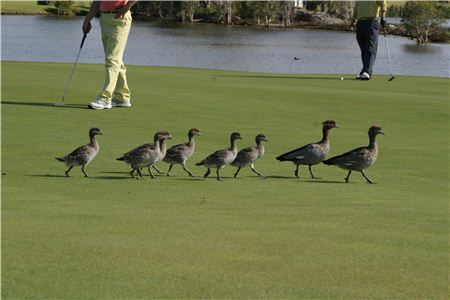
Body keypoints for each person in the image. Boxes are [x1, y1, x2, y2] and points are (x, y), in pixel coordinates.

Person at [83, 0, 137, 110]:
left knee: (112, 59)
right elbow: (97, 2)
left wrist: (128, 6)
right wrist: (87, 19)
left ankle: (105, 98)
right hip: (104, 19)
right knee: (116, 59)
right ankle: (123, 97)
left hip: (120, 18)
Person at [351, 1, 387, 80]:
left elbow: (383, 6)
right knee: (363, 48)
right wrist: (353, 21)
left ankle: (367, 72)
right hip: (360, 23)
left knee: (370, 48)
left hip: (372, 22)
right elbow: (356, 9)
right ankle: (364, 71)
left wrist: (383, 17)